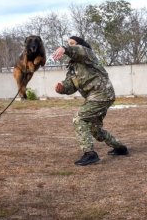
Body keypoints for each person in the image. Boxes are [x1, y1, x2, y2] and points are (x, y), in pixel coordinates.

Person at [52, 36, 128, 166]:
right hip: (95, 97)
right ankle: (120, 148)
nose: (69, 46)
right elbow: (71, 86)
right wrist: (62, 88)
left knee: (79, 118)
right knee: (95, 130)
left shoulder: (87, 54)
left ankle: (90, 154)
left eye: (72, 44)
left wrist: (64, 48)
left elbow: (79, 50)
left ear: (79, 46)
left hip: (102, 93)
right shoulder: (72, 67)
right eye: (67, 44)